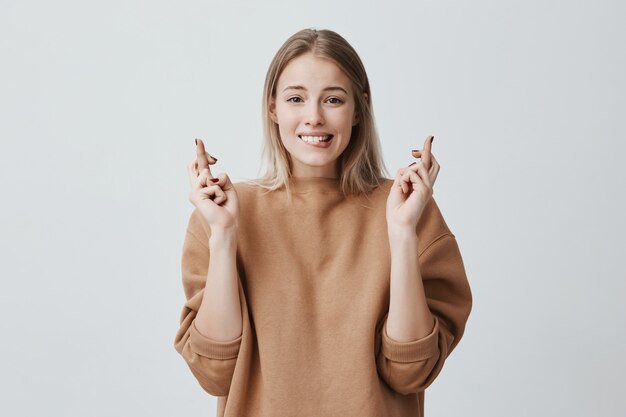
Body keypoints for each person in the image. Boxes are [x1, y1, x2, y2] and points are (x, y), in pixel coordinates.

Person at [174, 28, 472, 417]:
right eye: (296, 98)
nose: (314, 117)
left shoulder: (408, 210)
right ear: (273, 108)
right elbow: (215, 372)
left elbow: (409, 372)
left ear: (359, 108)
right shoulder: (225, 213)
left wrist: (401, 235)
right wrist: (225, 235)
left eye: (333, 99)